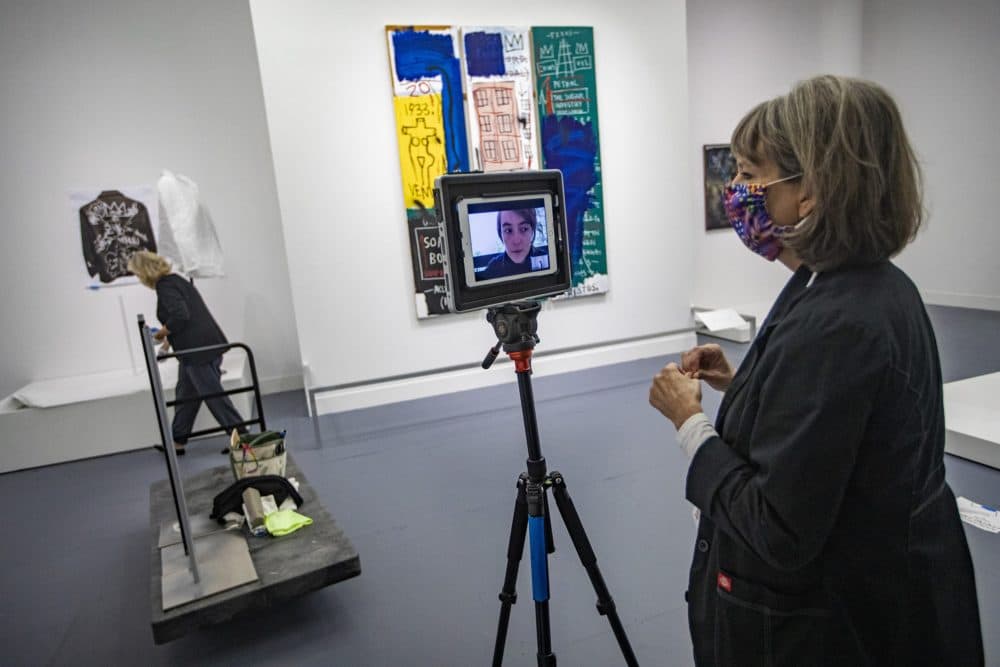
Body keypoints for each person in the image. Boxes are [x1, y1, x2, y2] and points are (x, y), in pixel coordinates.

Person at [648, 75, 983, 666]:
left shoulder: (839, 325)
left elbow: (777, 526)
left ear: (814, 191)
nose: (739, 192)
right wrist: (746, 381)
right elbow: (835, 419)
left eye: (754, 175)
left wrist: (689, 423)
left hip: (828, 628)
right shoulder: (857, 286)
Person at [128, 250, 246, 455]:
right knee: (186, 395)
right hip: (197, 349)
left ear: (144, 272)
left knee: (214, 397)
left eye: (138, 275)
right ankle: (178, 441)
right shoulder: (174, 281)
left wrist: (160, 334)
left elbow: (181, 316)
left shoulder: (165, 286)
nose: (139, 279)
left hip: (198, 351)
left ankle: (243, 439)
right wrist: (166, 345)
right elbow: (186, 319)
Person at [479, 207, 547, 279]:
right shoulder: (493, 269)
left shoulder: (547, 261)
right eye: (508, 230)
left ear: (532, 230)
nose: (516, 241)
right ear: (500, 233)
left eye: (524, 229)